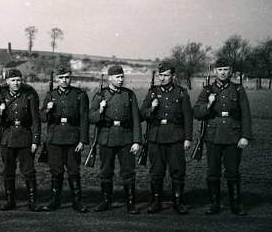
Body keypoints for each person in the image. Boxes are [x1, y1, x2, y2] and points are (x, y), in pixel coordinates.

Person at [193, 60, 252, 215]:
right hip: (213, 136)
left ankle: (236, 204)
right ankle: (214, 204)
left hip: (233, 135)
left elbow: (245, 114)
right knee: (213, 171)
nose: (223, 72)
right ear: (215, 71)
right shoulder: (207, 90)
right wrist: (209, 104)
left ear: (230, 71)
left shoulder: (238, 89)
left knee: (232, 171)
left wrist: (245, 136)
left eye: (226, 69)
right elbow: (197, 113)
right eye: (220, 69)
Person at [140, 62, 193, 214]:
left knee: (177, 170)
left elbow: (188, 117)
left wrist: (187, 138)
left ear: (173, 76)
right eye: (160, 75)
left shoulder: (181, 92)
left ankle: (178, 202)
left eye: (165, 75)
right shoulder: (152, 92)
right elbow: (142, 114)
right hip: (156, 136)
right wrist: (152, 108)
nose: (162, 78)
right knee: (156, 171)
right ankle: (156, 202)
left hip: (176, 136)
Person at [88, 65, 142, 214]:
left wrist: (137, 141)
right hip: (106, 137)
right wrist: (100, 109)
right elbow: (91, 117)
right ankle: (106, 201)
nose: (120, 80)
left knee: (128, 171)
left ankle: (131, 202)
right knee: (106, 170)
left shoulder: (129, 95)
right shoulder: (100, 95)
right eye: (117, 77)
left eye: (122, 77)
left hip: (126, 138)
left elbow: (136, 120)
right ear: (109, 78)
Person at [39, 64, 89, 213]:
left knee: (73, 170)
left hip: (72, 138)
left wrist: (82, 140)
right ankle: (55, 201)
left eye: (67, 77)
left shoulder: (79, 95)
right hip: (55, 138)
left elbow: (84, 119)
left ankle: (77, 202)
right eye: (61, 78)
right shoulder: (50, 95)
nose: (64, 80)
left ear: (70, 78)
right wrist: (48, 109)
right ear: (56, 79)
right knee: (56, 171)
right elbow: (42, 117)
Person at [0, 69, 42, 212]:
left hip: (25, 137)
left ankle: (32, 202)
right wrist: (0, 112)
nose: (16, 83)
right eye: (13, 80)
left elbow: (36, 119)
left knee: (28, 171)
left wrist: (35, 141)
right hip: (6, 137)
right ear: (7, 81)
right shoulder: (0, 94)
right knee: (8, 171)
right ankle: (9, 201)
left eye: (18, 80)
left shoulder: (29, 94)